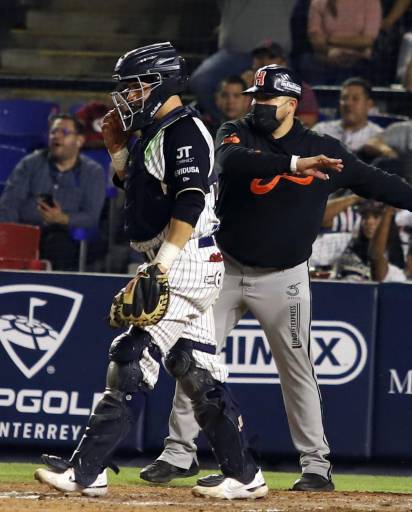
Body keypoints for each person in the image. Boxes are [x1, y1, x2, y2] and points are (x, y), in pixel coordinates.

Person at [141, 64, 412, 491]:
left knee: (297, 370)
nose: (258, 105)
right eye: (255, 97)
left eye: (267, 100)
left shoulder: (322, 146)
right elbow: (231, 161)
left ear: (291, 105)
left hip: (285, 277)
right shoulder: (236, 131)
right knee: (195, 358)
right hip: (225, 268)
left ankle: (317, 465)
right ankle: (178, 452)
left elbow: (377, 182)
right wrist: (295, 163)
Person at [31, 43, 326, 501]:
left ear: (160, 83)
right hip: (182, 255)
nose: (127, 95)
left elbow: (189, 201)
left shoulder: (184, 130)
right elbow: (147, 196)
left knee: (132, 356)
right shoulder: (157, 129)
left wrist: (162, 268)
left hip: (183, 257)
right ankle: (244, 474)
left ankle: (86, 469)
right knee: (196, 371)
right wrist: (115, 153)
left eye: (136, 86)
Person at [0, 114, 105, 271]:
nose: (57, 136)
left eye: (64, 132)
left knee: (60, 245)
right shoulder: (30, 163)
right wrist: (11, 235)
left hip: (64, 235)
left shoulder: (93, 172)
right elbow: (10, 203)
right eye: (53, 132)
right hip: (26, 231)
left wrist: (62, 218)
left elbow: (91, 216)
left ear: (79, 140)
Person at [189, 0, 294, 118]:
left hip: (275, 55)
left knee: (291, 89)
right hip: (234, 53)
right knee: (201, 80)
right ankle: (225, 124)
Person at [301, 0, 382, 84]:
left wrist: (329, 39)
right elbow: (316, 39)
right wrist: (330, 50)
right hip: (327, 54)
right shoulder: (318, 2)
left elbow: (367, 40)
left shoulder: (371, 2)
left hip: (359, 57)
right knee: (307, 62)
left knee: (354, 70)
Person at [246, 40, 320, 127]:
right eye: (260, 57)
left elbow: (307, 124)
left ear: (283, 63)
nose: (265, 62)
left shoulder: (301, 90)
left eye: (271, 57)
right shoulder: (243, 85)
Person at [312, 77, 383, 153]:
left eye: (355, 99)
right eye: (344, 98)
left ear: (369, 104)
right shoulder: (321, 130)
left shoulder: (378, 136)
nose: (348, 103)